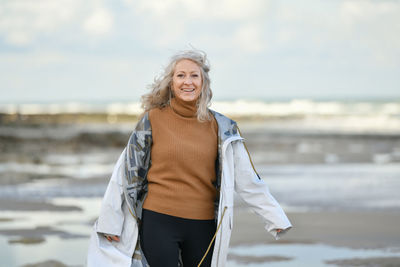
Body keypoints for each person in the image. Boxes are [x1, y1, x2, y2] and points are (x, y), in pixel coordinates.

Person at [87, 49, 292, 267]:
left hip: (202, 226)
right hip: (158, 220)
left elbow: (247, 178)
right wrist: (110, 221)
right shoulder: (152, 119)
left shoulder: (222, 127)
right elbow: (125, 173)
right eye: (181, 75)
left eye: (194, 75)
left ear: (204, 82)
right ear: (171, 82)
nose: (188, 82)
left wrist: (274, 217)